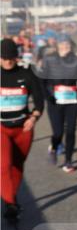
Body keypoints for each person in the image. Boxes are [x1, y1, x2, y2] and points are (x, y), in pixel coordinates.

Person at [1, 38, 45, 220]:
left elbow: (40, 100)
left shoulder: (27, 74)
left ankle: (12, 197)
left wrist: (34, 117)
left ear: (16, 57)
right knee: (4, 165)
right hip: (1, 128)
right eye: (4, 58)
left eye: (11, 58)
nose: (8, 61)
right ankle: (11, 204)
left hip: (23, 129)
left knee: (17, 165)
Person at [40, 36, 77, 173]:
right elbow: (42, 81)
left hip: (71, 101)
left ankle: (68, 161)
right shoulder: (49, 60)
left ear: (71, 46)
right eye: (62, 44)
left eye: (67, 45)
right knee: (58, 132)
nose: (65, 47)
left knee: (71, 130)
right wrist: (48, 97)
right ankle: (54, 147)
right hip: (54, 101)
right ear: (57, 46)